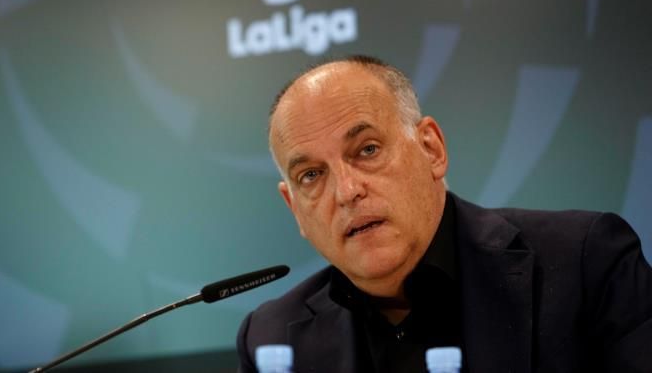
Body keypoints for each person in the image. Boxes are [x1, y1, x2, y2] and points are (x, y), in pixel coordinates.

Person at [236, 55, 652, 372]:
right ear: (294, 207)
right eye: (311, 175)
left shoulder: (585, 263)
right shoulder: (270, 338)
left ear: (431, 149)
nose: (346, 192)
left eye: (367, 150)